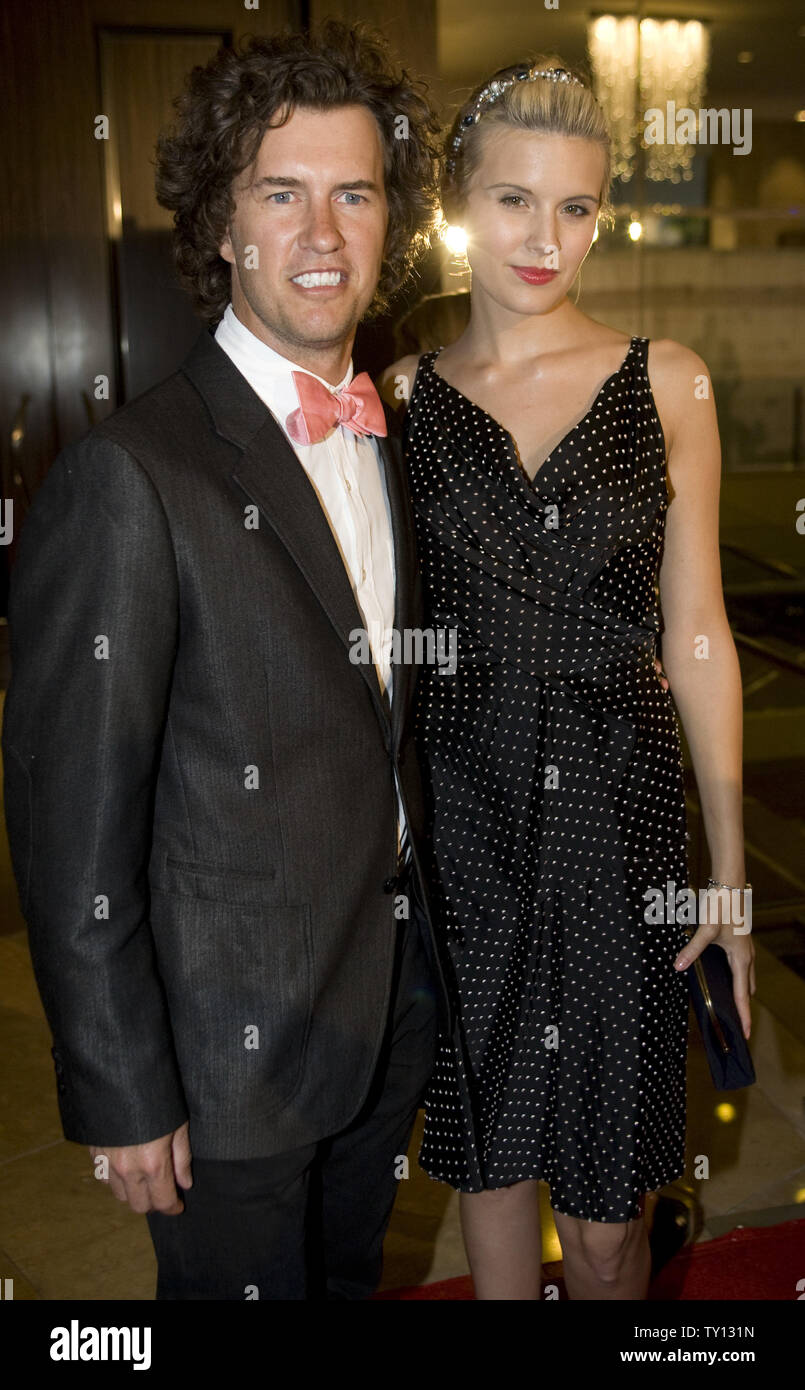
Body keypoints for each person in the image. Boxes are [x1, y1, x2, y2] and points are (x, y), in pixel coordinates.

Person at [1, 21, 450, 1301]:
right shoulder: (130, 474)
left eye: (353, 193)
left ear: (391, 219)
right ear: (218, 223)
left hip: (381, 1020)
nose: (323, 234)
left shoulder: (389, 437)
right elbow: (67, 814)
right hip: (221, 1064)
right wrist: (120, 1084)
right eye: (281, 193)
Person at [379, 55, 755, 1301]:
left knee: (603, 1227)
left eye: (577, 208)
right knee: (489, 1180)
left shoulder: (668, 380)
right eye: (512, 201)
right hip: (466, 816)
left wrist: (729, 866)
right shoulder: (403, 401)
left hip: (621, 818)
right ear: (454, 204)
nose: (547, 239)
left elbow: (696, 629)